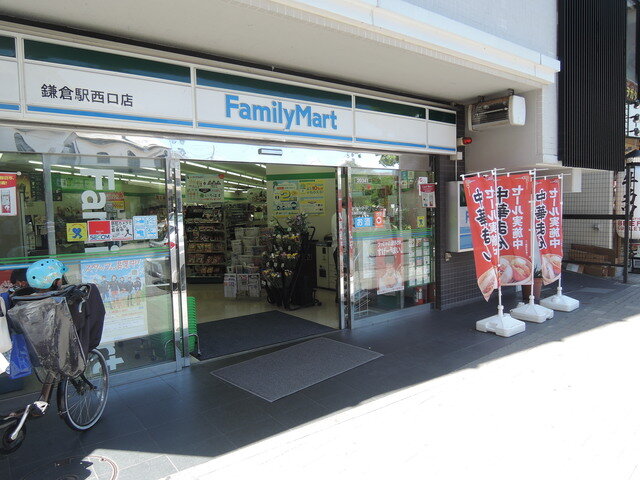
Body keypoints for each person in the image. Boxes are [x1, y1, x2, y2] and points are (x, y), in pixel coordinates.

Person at [20, 259, 105, 356]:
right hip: (70, 354)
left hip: (35, 355)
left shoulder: (22, 302)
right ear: (55, 282)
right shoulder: (67, 303)